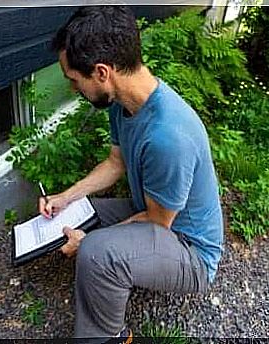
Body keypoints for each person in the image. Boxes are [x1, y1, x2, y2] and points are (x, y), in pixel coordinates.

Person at [38, 5, 224, 342]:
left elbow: (157, 222)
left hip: (189, 250)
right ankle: (100, 250)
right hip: (157, 217)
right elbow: (115, 163)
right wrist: (65, 198)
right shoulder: (124, 105)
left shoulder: (169, 136)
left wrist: (90, 244)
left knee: (96, 253)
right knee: (83, 212)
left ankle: (109, 337)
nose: (72, 89)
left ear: (101, 72)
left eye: (73, 80)